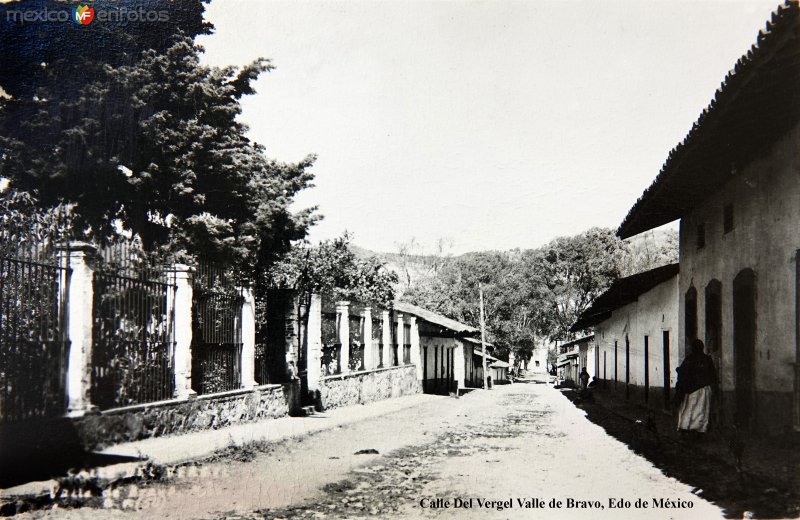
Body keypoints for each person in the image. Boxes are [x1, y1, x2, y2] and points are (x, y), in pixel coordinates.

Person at [675, 339, 717, 434]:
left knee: (689, 409)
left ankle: (687, 429)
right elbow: (713, 375)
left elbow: (683, 372)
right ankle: (699, 430)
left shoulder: (690, 359)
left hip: (691, 390)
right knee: (701, 411)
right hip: (704, 390)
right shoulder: (707, 359)